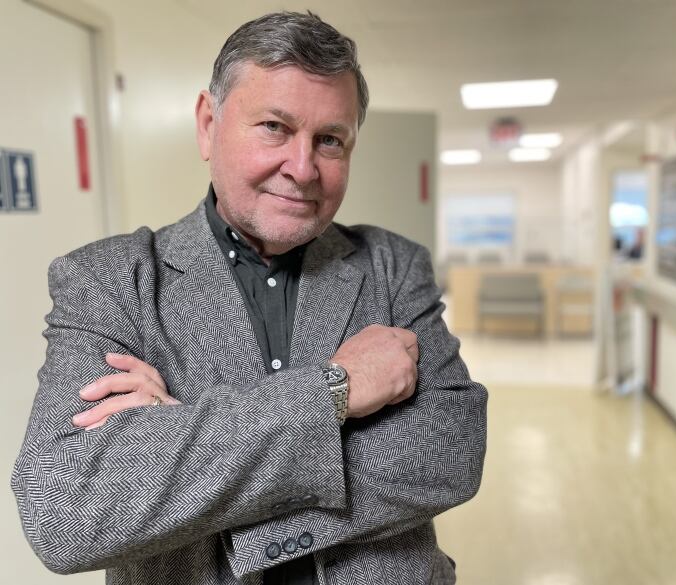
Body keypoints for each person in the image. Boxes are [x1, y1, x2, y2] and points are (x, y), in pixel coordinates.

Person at [11, 11, 487, 585]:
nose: (303, 168)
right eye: (274, 127)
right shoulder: (107, 280)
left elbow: (449, 450)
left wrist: (181, 440)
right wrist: (332, 393)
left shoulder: (393, 266)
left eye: (330, 140)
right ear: (209, 125)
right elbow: (67, 512)